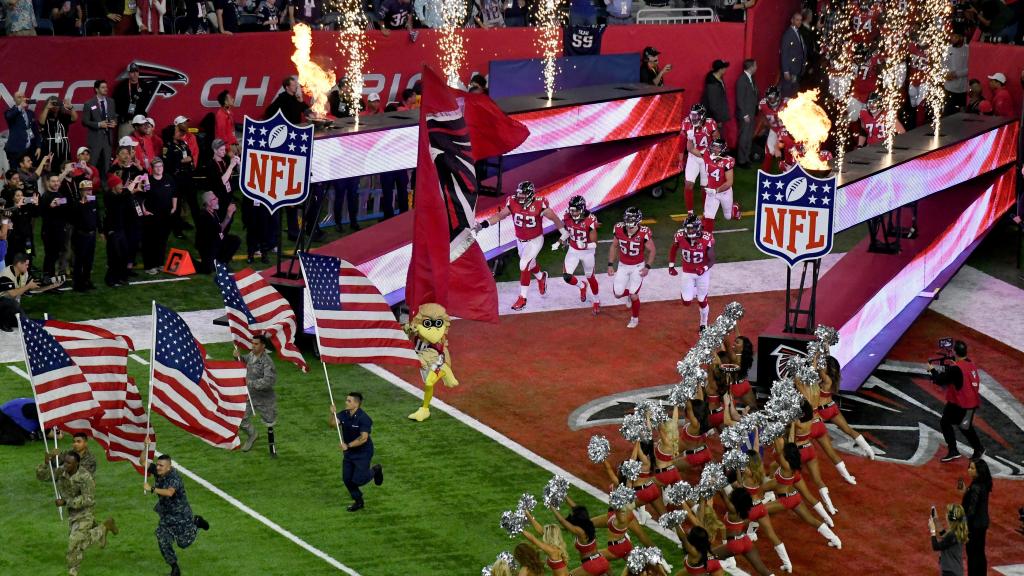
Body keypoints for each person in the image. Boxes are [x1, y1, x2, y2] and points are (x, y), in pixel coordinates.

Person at [475, 181, 566, 311]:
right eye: (519, 194)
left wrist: (563, 233)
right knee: (530, 263)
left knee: (523, 264)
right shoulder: (512, 201)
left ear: (529, 195)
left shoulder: (540, 204)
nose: (520, 197)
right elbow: (500, 215)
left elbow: (555, 219)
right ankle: (541, 277)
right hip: (520, 240)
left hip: (535, 239)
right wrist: (483, 224)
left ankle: (523, 298)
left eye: (523, 195)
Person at [45, 451, 118, 576]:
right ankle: (104, 527)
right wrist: (46, 463)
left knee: (74, 542)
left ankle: (73, 571)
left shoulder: (85, 477)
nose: (65, 465)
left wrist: (66, 502)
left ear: (77, 463)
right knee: (79, 542)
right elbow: (44, 476)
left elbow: (88, 499)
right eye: (65, 462)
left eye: (69, 463)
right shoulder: (61, 471)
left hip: (85, 512)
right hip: (72, 514)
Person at [144, 453, 211, 576]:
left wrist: (152, 489)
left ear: (169, 467)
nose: (158, 467)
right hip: (166, 515)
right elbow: (142, 461)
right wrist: (145, 446)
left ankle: (196, 522)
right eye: (157, 464)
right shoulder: (158, 471)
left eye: (161, 466)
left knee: (183, 543)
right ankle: (174, 568)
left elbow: (170, 492)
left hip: (181, 515)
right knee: (162, 538)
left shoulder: (174, 478)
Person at [930, 340, 985, 462]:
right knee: (949, 423)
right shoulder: (970, 363)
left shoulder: (956, 369)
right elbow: (960, 375)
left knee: (963, 427)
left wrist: (932, 370)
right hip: (966, 401)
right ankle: (956, 450)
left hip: (962, 403)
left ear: (955, 352)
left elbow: (939, 380)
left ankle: (975, 448)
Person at [330, 392, 384, 512]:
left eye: (349, 401)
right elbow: (333, 424)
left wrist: (348, 445)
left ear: (356, 403)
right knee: (347, 479)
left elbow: (363, 438)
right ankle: (358, 501)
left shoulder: (364, 418)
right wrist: (332, 413)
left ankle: (375, 470)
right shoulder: (344, 414)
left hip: (363, 452)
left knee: (358, 480)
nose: (346, 402)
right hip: (349, 453)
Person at [608, 206, 655, 329]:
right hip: (623, 265)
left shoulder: (644, 232)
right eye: (627, 219)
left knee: (634, 295)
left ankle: (634, 318)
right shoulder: (618, 228)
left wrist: (647, 267)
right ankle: (628, 295)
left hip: (637, 266)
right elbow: (614, 246)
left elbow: (652, 250)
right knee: (617, 294)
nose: (629, 223)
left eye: (631, 219)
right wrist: (610, 264)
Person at [554, 195, 601, 314]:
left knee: (590, 276)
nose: (573, 213)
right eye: (571, 210)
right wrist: (559, 242)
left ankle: (596, 301)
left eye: (576, 210)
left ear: (582, 209)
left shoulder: (590, 220)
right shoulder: (567, 216)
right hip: (573, 250)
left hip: (588, 252)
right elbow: (568, 232)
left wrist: (584, 245)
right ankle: (581, 286)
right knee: (567, 277)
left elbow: (595, 243)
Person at [669, 214, 714, 333]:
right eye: (688, 228)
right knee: (686, 301)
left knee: (702, 300)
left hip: (702, 273)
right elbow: (673, 249)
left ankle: (703, 324)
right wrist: (671, 265)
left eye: (692, 228)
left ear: (698, 228)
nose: (689, 230)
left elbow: (712, 260)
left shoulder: (706, 238)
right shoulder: (680, 236)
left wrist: (704, 269)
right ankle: (693, 290)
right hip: (687, 272)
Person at [236, 334, 278, 456]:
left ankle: (272, 450)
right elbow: (245, 361)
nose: (253, 346)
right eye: (252, 343)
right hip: (250, 396)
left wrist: (251, 383)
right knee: (241, 419)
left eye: (256, 344)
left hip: (265, 398)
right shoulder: (251, 355)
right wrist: (238, 357)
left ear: (263, 346)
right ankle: (252, 434)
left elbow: (269, 381)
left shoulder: (267, 362)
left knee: (269, 423)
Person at [1, 252, 63, 330]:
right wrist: (28, 286)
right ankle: (3, 324)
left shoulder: (24, 273)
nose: (28, 267)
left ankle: (44, 322)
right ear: (19, 264)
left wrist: (51, 286)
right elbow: (13, 294)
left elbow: (34, 287)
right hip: (4, 304)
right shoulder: (6, 274)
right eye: (26, 265)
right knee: (11, 302)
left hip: (11, 308)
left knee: (23, 322)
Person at [680, 104, 719, 215]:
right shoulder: (686, 123)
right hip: (694, 155)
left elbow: (718, 142)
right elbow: (688, 146)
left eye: (696, 115)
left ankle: (706, 212)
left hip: (707, 156)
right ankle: (690, 213)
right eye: (692, 115)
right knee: (688, 184)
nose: (693, 118)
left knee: (705, 187)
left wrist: (712, 157)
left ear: (702, 116)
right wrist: (680, 156)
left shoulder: (710, 124)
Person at [141, 157, 175, 274]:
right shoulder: (148, 180)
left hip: (166, 216)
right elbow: (143, 197)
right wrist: (144, 210)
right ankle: (150, 266)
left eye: (161, 166)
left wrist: (174, 207)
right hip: (152, 216)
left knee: (163, 241)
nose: (159, 168)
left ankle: (160, 263)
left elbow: (175, 193)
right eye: (156, 167)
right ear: (152, 168)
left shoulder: (169, 178)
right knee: (151, 241)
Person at [194, 191, 240, 274]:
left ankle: (222, 263)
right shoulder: (204, 216)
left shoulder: (213, 212)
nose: (217, 199)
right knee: (206, 270)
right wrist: (228, 215)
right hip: (207, 247)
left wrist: (228, 216)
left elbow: (219, 229)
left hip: (214, 242)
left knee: (235, 240)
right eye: (214, 199)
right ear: (209, 203)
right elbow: (218, 230)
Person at [81, 80, 117, 183]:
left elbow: (114, 116)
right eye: (103, 87)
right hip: (95, 139)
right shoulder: (89, 104)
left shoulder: (111, 102)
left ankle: (105, 188)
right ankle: (90, 187)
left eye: (106, 87)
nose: (106, 89)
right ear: (96, 89)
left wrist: (114, 122)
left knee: (107, 165)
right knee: (92, 164)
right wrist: (98, 124)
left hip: (108, 139)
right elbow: (85, 121)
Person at [960, 460, 991, 576]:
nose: (969, 470)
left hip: (974, 526)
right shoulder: (985, 484)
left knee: (972, 554)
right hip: (982, 523)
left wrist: (965, 526)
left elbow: (971, 510)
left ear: (979, 471)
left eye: (972, 468)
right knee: (980, 553)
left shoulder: (975, 487)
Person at [114, 63, 159, 139]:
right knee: (125, 146)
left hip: (140, 122)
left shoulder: (144, 85)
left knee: (140, 146)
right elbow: (115, 103)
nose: (135, 74)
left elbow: (146, 102)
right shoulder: (122, 86)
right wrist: (121, 115)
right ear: (128, 73)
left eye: (136, 72)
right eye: (132, 72)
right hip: (126, 121)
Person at [69, 179, 99, 291]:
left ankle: (87, 280)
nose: (89, 192)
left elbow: (97, 216)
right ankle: (78, 283)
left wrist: (100, 231)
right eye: (86, 190)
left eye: (90, 190)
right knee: (79, 260)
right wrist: (84, 203)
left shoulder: (94, 202)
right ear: (81, 191)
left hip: (92, 235)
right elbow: (73, 219)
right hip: (81, 235)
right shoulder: (76, 204)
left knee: (89, 260)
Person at [701, 137, 736, 232]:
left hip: (724, 192)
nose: (715, 149)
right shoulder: (707, 155)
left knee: (728, 216)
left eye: (718, 148)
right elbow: (691, 150)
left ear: (723, 149)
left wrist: (716, 190)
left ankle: (735, 208)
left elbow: (729, 182)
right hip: (711, 191)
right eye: (714, 147)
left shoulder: (728, 160)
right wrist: (690, 139)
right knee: (709, 216)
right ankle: (708, 238)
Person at [4, 91, 41, 170]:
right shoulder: (10, 111)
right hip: (15, 150)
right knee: (15, 173)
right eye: (19, 97)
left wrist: (38, 146)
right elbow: (9, 116)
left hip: (29, 150)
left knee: (30, 173)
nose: (22, 99)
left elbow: (35, 131)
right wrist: (20, 106)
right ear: (14, 99)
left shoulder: (30, 113)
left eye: (23, 96)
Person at [38, 95, 77, 168]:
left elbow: (74, 118)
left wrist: (71, 107)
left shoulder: (63, 115)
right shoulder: (46, 115)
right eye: (53, 104)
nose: (55, 106)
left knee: (65, 164)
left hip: (63, 144)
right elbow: (41, 122)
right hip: (50, 144)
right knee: (49, 165)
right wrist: (47, 108)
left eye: (57, 104)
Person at [929, 504, 968, 576]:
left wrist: (932, 531)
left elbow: (936, 546)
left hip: (950, 572)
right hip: (956, 571)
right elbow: (945, 538)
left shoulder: (952, 535)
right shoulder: (957, 531)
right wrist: (936, 520)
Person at [735, 59, 758, 168]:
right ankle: (741, 160)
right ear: (751, 67)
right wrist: (744, 114)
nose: (756, 67)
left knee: (748, 137)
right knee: (744, 137)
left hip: (751, 113)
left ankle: (746, 158)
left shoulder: (751, 79)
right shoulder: (742, 80)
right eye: (755, 65)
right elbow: (740, 99)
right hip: (746, 115)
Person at [943, 29, 969, 116]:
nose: (953, 39)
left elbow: (971, 67)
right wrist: (945, 73)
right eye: (952, 36)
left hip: (963, 88)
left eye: (956, 37)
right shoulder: (947, 49)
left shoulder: (968, 50)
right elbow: (943, 65)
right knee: (948, 113)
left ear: (962, 38)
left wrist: (957, 74)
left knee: (962, 114)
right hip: (949, 87)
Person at [780, 11, 806, 98]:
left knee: (794, 92)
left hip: (797, 68)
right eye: (797, 20)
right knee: (788, 93)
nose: (799, 22)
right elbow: (784, 53)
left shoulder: (797, 32)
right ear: (792, 20)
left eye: (800, 20)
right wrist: (786, 71)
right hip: (791, 69)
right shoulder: (788, 34)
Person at [701, 60, 731, 130]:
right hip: (713, 118)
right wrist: (718, 120)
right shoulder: (713, 84)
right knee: (716, 137)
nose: (726, 69)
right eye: (724, 68)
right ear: (720, 69)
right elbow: (713, 104)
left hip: (717, 116)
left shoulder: (719, 79)